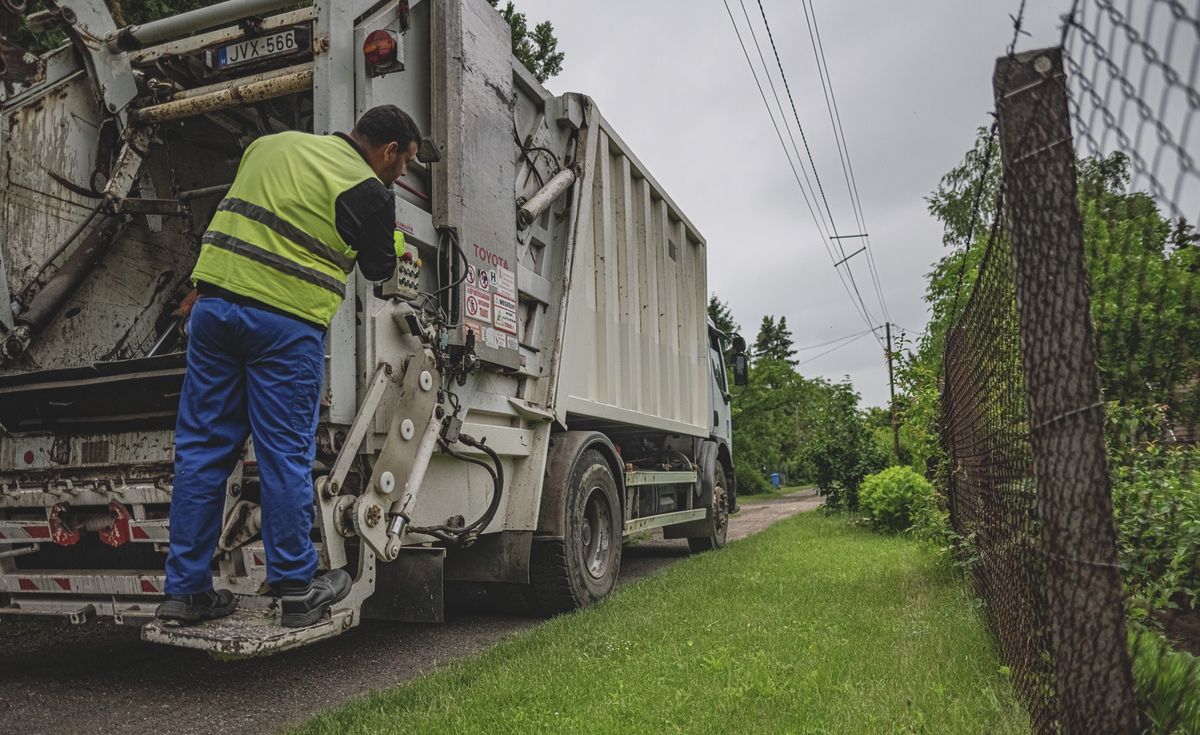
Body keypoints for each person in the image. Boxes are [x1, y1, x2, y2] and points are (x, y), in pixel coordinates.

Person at [156, 105, 422, 628]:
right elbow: (378, 270)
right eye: (406, 161)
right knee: (284, 455)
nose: (404, 172)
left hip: (212, 312)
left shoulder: (268, 147)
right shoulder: (371, 191)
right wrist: (397, 244)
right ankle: (297, 588)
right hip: (283, 325)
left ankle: (184, 593)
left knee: (202, 454)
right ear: (388, 151)